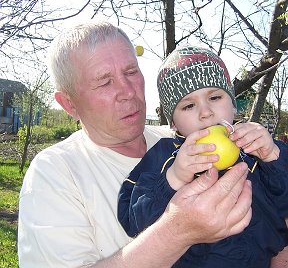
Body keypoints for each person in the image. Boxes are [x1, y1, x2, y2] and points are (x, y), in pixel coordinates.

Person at [17, 22, 253, 268]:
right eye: (104, 82)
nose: (128, 91)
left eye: (131, 72)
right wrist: (178, 231)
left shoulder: (183, 141)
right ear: (69, 104)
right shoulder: (55, 173)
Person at [118, 45, 288, 268]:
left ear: (234, 105)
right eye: (188, 105)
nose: (206, 112)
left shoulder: (255, 148)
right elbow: (135, 221)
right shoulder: (165, 157)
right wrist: (175, 178)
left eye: (215, 97)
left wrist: (272, 157)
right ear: (173, 123)